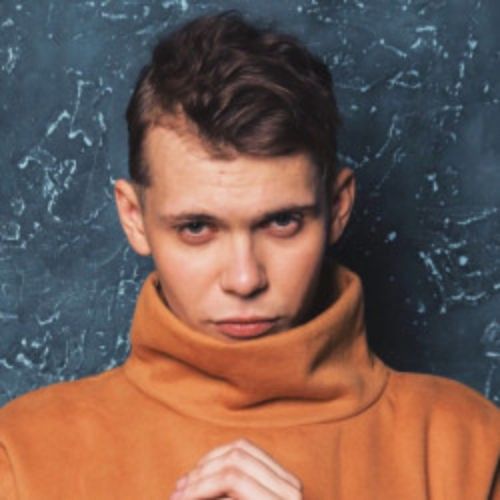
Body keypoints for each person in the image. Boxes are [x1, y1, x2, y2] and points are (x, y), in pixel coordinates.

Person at [0, 11, 498, 500]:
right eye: (197, 228)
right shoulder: (21, 454)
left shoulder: (471, 447)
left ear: (338, 207)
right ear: (134, 218)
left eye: (281, 223)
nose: (244, 280)